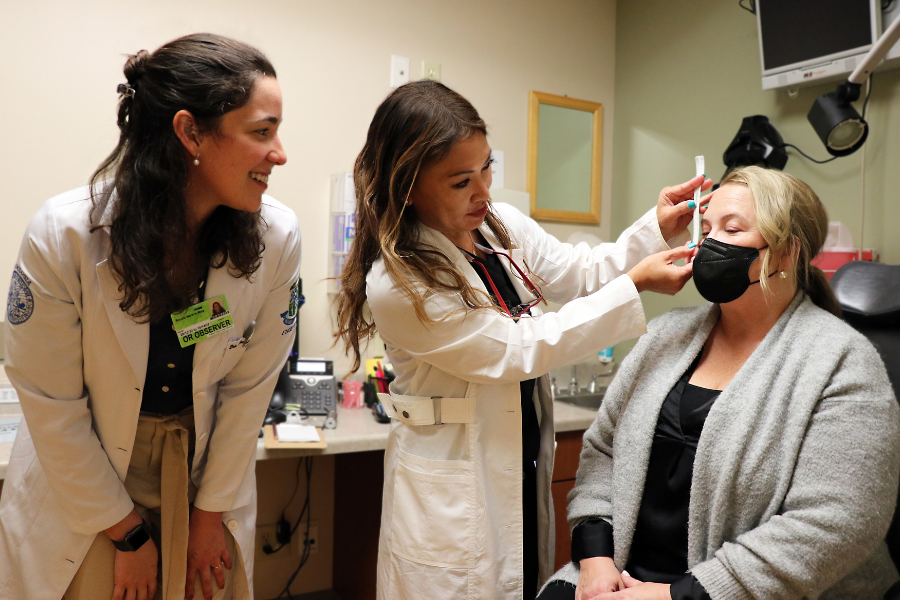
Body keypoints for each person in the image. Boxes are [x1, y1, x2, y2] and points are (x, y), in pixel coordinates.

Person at [335, 80, 713, 600]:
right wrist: (637, 283)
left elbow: (577, 271)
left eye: (487, 167)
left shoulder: (497, 226)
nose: (483, 191)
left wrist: (655, 231)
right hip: (452, 490)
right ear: (408, 186)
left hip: (518, 459)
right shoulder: (399, 283)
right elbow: (516, 349)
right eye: (460, 180)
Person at [0, 34, 300, 600]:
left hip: (204, 462)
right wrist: (129, 536)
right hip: (86, 473)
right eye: (261, 132)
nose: (279, 153)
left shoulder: (276, 235)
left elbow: (249, 389)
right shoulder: (65, 234)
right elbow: (51, 402)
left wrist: (209, 516)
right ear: (190, 133)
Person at [538, 166, 900, 600]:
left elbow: (836, 523)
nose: (709, 243)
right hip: (620, 577)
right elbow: (603, 452)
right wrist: (596, 562)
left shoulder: (841, 361)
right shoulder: (664, 336)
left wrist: (675, 596)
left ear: (785, 254)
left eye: (732, 229)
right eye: (705, 228)